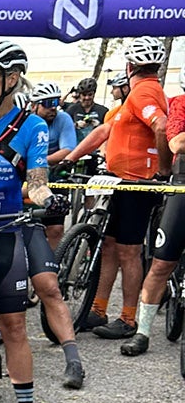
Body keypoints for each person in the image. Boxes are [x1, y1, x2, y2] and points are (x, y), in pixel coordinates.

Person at [0, 42, 86, 403]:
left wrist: (48, 201)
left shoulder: (33, 126)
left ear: (11, 79)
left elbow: (36, 183)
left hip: (5, 226)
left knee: (14, 324)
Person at [61, 36, 171, 339]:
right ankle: (97, 310)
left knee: (128, 252)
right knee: (108, 248)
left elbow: (161, 126)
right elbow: (103, 131)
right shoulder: (130, 101)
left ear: (130, 65)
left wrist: (163, 170)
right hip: (118, 182)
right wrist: (71, 157)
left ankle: (128, 318)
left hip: (137, 184)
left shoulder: (145, 91)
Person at [118, 64, 185, 356]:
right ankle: (143, 333)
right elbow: (176, 142)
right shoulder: (178, 104)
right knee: (161, 265)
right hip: (182, 188)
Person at [31, 81, 77, 249]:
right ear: (35, 105)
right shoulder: (26, 121)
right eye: (49, 103)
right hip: (30, 177)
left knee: (55, 228)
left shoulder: (63, 118)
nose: (53, 108)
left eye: (56, 102)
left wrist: (40, 161)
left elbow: (68, 149)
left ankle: (54, 265)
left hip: (55, 175)